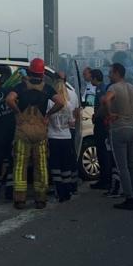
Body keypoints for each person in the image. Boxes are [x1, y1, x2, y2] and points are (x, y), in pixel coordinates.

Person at [6, 58, 64, 209]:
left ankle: (19, 199)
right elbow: (61, 102)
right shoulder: (48, 88)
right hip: (40, 131)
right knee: (41, 165)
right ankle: (41, 199)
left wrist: (18, 113)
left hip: (23, 130)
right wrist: (48, 115)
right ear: (43, 73)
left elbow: (10, 99)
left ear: (30, 71)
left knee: (20, 165)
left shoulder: (20, 86)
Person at [103, 63, 133, 210]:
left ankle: (129, 198)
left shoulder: (113, 88)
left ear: (117, 73)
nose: (109, 75)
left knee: (122, 166)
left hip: (119, 129)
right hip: (132, 128)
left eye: (110, 72)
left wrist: (109, 114)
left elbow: (106, 100)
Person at [47, 75, 79, 203]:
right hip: (66, 137)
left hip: (53, 137)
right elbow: (72, 123)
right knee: (66, 165)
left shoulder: (50, 102)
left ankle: (59, 191)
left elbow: (46, 118)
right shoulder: (69, 104)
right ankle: (67, 191)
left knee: (55, 166)